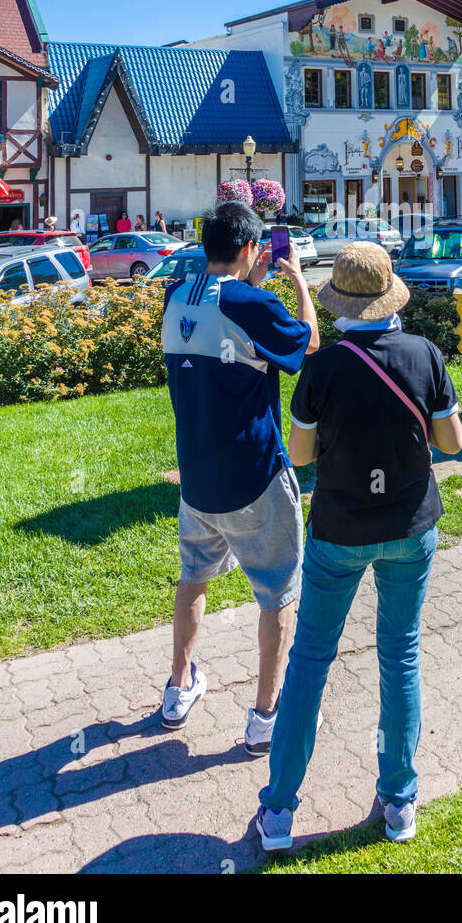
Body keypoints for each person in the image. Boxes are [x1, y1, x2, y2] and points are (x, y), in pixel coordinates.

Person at [255, 241, 462, 852]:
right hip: (410, 525)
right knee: (399, 655)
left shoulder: (322, 368)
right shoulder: (424, 355)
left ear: (340, 302)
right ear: (388, 295)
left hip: (339, 530)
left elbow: (298, 454)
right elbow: (450, 441)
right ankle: (399, 800)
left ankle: (279, 813)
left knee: (311, 660)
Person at [160, 200, 320, 746]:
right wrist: (296, 279)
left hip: (197, 479)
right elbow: (307, 344)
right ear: (252, 249)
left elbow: (216, 303)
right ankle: (266, 716)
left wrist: (245, 278)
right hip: (254, 477)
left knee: (194, 577)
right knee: (277, 592)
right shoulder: (252, 303)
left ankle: (179, 687)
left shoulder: (174, 294)